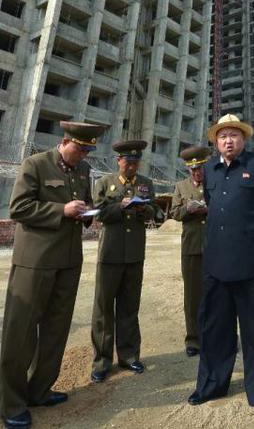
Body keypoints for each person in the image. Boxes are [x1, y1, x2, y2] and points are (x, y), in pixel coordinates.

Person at [0, 121, 106, 429]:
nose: (83, 154)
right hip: (35, 261)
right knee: (20, 334)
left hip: (69, 261)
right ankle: (11, 403)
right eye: (80, 148)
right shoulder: (35, 164)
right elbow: (19, 208)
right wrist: (61, 210)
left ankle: (39, 390)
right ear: (65, 141)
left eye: (88, 150)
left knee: (56, 330)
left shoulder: (83, 171)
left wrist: (88, 213)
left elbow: (82, 205)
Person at [188, 114, 254, 422]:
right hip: (215, 262)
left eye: (234, 135)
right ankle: (212, 384)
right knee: (215, 328)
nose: (228, 140)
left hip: (251, 261)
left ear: (244, 139)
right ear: (216, 142)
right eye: (222, 136)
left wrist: (250, 232)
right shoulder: (210, 171)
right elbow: (212, 207)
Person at [90, 140, 159, 383]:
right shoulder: (104, 183)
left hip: (134, 255)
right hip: (110, 254)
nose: (131, 166)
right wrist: (121, 206)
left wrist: (143, 210)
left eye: (135, 162)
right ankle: (102, 361)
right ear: (118, 161)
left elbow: (155, 212)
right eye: (127, 162)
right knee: (103, 309)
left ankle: (129, 356)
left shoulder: (146, 184)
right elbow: (99, 213)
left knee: (130, 308)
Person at [171, 145, 211, 357]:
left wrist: (207, 209)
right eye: (193, 169)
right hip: (192, 247)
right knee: (193, 295)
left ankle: (216, 337)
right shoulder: (180, 187)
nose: (198, 172)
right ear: (188, 169)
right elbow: (175, 213)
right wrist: (189, 208)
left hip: (215, 246)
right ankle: (193, 339)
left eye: (201, 168)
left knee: (217, 294)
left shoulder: (215, 184)